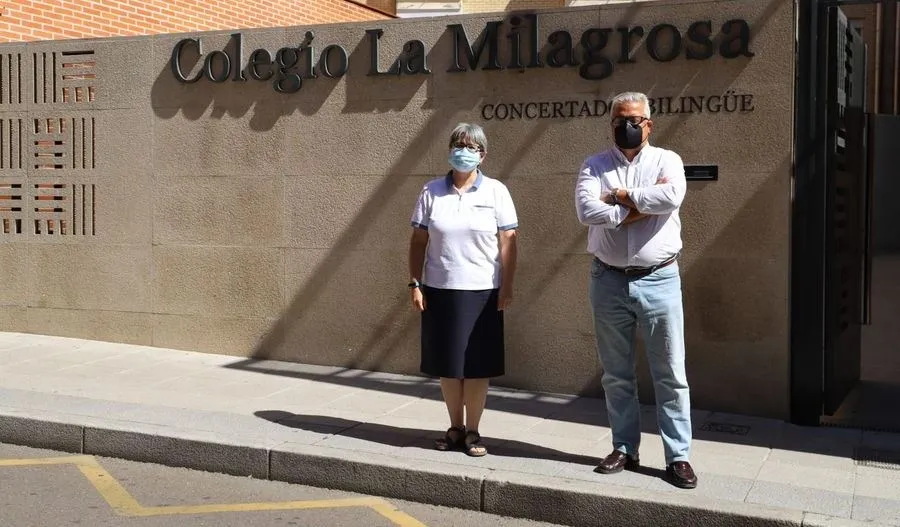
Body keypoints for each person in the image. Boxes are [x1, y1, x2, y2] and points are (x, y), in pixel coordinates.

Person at [574, 91, 697, 489]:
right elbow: (585, 211)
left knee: (670, 373)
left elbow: (672, 195)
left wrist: (620, 198)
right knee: (616, 374)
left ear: (649, 124)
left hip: (659, 278)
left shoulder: (668, 161)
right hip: (607, 279)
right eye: (619, 119)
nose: (626, 125)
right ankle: (624, 447)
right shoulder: (594, 165)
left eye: (634, 119)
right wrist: (639, 208)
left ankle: (678, 456)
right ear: (610, 123)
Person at [407, 122, 518, 458]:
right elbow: (418, 241)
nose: (463, 151)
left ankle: (474, 430)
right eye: (458, 144)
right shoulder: (430, 191)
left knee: (476, 368)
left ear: (482, 154)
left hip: (483, 291)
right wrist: (415, 282)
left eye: (471, 146)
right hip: (440, 290)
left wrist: (507, 286)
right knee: (449, 366)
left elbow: (509, 241)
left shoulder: (496, 192)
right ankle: (455, 426)